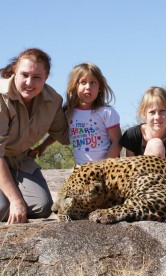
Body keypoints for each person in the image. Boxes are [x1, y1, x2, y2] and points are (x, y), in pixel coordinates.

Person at [0, 48, 69, 224]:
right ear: (15, 71)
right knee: (4, 207)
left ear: (46, 77)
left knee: (43, 207)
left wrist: (85, 108)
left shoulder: (53, 100)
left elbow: (64, 135)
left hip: (20, 159)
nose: (29, 82)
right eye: (24, 75)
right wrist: (16, 201)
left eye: (37, 77)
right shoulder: (1, 96)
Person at [65, 62, 122, 165]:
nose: (88, 87)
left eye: (93, 83)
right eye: (83, 82)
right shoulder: (68, 112)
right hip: (80, 169)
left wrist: (105, 165)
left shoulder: (107, 112)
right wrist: (43, 146)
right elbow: (57, 132)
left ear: (99, 87)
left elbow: (117, 141)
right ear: (74, 86)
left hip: (106, 168)